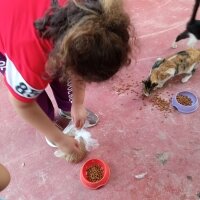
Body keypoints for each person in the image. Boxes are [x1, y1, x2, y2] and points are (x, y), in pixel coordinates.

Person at [0, 0, 133, 156]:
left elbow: (81, 64)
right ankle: (49, 122)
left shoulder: (88, 11)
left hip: (36, 23)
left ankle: (66, 107)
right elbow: (23, 105)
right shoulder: (32, 64)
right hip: (11, 33)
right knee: (36, 97)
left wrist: (77, 103)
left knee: (65, 74)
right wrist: (59, 140)